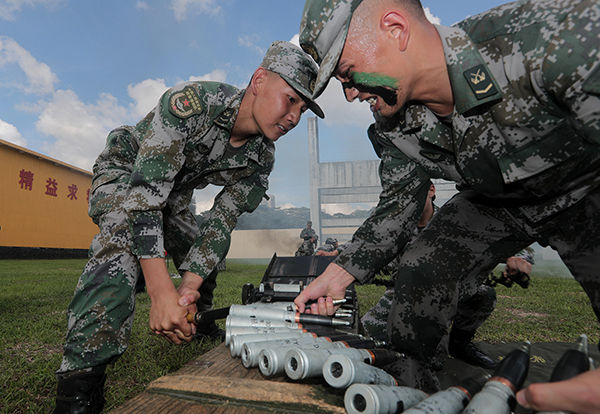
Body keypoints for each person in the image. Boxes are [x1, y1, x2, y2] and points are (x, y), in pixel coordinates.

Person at [295, 0, 600, 396]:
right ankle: (410, 388)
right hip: (498, 201)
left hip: (585, 187)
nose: (350, 95)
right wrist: (338, 276)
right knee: (423, 265)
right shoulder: (391, 124)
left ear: (395, 28)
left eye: (348, 74)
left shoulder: (553, 39)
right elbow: (399, 204)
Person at [53, 40, 324, 413]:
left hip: (174, 194)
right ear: (259, 80)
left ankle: (197, 315)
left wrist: (185, 293)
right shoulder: (191, 104)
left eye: (303, 107)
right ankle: (79, 385)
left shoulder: (261, 157)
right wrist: (162, 292)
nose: (294, 116)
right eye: (290, 99)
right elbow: (145, 199)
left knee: (203, 246)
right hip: (127, 175)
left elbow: (220, 223)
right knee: (122, 244)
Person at [360, 184, 535, 370]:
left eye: (413, 193)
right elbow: (365, 249)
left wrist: (520, 258)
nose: (408, 202)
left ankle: (459, 344)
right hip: (405, 290)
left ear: (431, 191)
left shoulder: (456, 219)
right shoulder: (395, 225)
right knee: (367, 339)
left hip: (452, 289)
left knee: (484, 295)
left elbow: (505, 237)